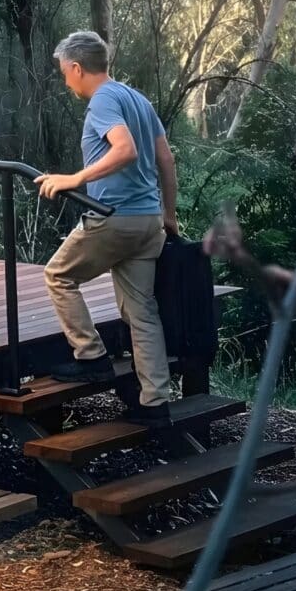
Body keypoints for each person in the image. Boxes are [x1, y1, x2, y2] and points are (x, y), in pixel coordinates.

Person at [35, 30, 178, 429]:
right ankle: (155, 404)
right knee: (142, 312)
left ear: (78, 68)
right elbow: (165, 159)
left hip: (115, 218)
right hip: (149, 221)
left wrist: (73, 178)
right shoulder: (138, 99)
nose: (65, 81)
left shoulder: (103, 101)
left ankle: (90, 357)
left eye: (65, 72)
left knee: (58, 275)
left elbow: (125, 149)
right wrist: (169, 214)